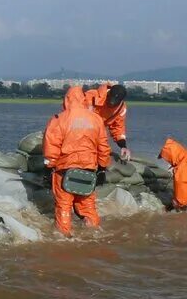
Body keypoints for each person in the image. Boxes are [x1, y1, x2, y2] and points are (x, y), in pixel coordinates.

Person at [42, 86, 110, 236]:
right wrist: (103, 169)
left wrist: (48, 168)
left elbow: (51, 146)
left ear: (66, 100)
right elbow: (103, 146)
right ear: (83, 99)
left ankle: (64, 236)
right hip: (89, 170)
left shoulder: (59, 119)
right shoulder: (96, 119)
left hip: (65, 170)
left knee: (63, 206)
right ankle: (94, 233)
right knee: (87, 206)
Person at [84, 82, 130, 162]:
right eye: (109, 100)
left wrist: (123, 146)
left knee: (103, 153)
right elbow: (71, 114)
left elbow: (118, 129)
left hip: (97, 134)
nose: (111, 104)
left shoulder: (121, 109)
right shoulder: (90, 96)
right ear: (108, 94)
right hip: (79, 128)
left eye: (114, 103)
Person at [158, 137, 187, 210]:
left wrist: (173, 206)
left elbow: (182, 198)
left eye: (165, 158)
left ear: (170, 156)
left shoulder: (184, 166)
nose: (167, 161)